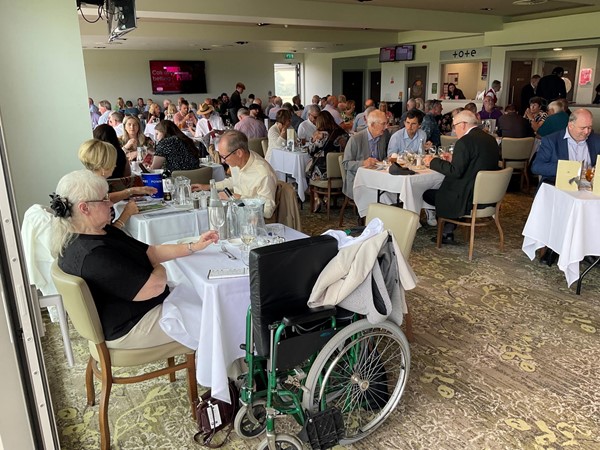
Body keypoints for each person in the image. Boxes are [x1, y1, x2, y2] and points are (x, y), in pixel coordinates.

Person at [51, 169, 218, 347]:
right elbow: (154, 287)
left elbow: (151, 252)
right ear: (84, 208)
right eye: (104, 199)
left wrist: (193, 246)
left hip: (138, 309)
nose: (110, 204)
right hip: (130, 326)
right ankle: (226, 370)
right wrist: (159, 267)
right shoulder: (93, 255)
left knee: (206, 300)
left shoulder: (99, 232)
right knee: (215, 319)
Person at [422, 110, 500, 244]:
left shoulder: (464, 142)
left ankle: (447, 231)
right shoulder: (490, 139)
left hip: (468, 197)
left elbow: (455, 172)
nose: (454, 129)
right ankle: (449, 227)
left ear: (463, 125)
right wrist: (454, 158)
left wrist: (432, 161)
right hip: (488, 195)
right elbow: (477, 162)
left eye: (455, 126)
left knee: (428, 193)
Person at [191, 130, 278, 218]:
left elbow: (267, 211)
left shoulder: (263, 174)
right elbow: (234, 181)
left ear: (239, 153)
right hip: (236, 212)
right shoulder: (237, 161)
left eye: (224, 157)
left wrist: (235, 197)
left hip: (253, 220)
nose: (222, 161)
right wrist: (208, 187)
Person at [78, 139, 155, 228]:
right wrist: (126, 213)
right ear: (104, 165)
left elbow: (105, 198)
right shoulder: (94, 187)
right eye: (113, 161)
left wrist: (132, 190)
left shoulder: (89, 181)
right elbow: (105, 234)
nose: (115, 165)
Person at [532, 108, 600, 184]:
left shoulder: (596, 140)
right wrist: (566, 168)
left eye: (589, 127)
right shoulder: (551, 140)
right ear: (570, 125)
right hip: (558, 187)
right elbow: (537, 167)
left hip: (588, 187)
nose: (587, 131)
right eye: (582, 128)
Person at [342, 110, 390, 199]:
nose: (386, 127)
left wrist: (388, 160)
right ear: (372, 125)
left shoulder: (383, 136)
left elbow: (383, 158)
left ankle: (382, 212)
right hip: (358, 180)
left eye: (386, 123)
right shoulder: (356, 139)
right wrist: (363, 163)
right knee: (380, 196)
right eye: (383, 124)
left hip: (377, 178)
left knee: (391, 192)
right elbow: (346, 164)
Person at [308, 110, 349, 212]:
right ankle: (326, 197)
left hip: (322, 173)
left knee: (309, 171)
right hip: (341, 172)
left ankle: (318, 197)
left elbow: (311, 151)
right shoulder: (343, 133)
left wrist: (312, 140)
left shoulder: (321, 135)